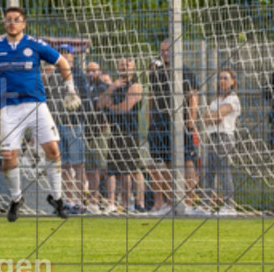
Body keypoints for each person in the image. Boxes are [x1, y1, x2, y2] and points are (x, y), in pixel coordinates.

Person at [0, 6, 80, 222]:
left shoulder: (34, 44)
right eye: (8, 20)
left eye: (16, 19)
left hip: (36, 104)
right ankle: (16, 199)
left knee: (52, 149)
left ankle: (57, 198)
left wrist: (70, 88)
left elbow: (61, 61)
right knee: (8, 157)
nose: (12, 23)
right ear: (4, 24)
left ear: (24, 23)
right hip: (10, 108)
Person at [147, 38, 200, 214]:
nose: (165, 54)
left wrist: (190, 122)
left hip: (180, 125)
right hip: (160, 124)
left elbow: (193, 96)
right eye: (162, 51)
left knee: (186, 162)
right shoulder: (157, 73)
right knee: (168, 164)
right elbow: (151, 99)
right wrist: (150, 123)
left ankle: (189, 204)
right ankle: (171, 203)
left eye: (168, 50)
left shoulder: (185, 71)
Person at [98, 58, 145, 214]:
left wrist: (110, 106)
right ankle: (116, 204)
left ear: (133, 68)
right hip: (114, 132)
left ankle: (137, 203)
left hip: (130, 133)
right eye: (122, 65)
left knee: (130, 170)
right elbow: (100, 103)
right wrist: (112, 88)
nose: (124, 67)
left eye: (128, 65)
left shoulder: (136, 86)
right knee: (112, 169)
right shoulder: (114, 86)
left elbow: (125, 107)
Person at [45, 45, 88, 213]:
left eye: (66, 53)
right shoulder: (54, 75)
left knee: (78, 164)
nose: (64, 56)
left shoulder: (78, 74)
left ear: (72, 56)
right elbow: (50, 100)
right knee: (63, 165)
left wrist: (79, 117)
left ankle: (80, 200)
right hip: (57, 124)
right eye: (61, 53)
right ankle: (69, 200)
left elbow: (85, 98)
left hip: (74, 123)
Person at [201, 69, 240, 216]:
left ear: (232, 81)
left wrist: (213, 115)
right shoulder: (216, 99)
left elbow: (218, 116)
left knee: (223, 169)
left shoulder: (233, 99)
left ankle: (229, 206)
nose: (222, 81)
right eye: (220, 78)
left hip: (225, 137)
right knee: (209, 171)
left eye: (225, 78)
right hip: (213, 136)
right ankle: (206, 205)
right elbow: (205, 117)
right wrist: (214, 115)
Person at [82, 61, 112, 214]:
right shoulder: (84, 87)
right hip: (87, 132)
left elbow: (103, 104)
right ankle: (93, 201)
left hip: (100, 131)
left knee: (104, 167)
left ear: (99, 71)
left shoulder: (103, 87)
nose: (90, 73)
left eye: (93, 70)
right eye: (88, 70)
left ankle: (110, 202)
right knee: (90, 168)